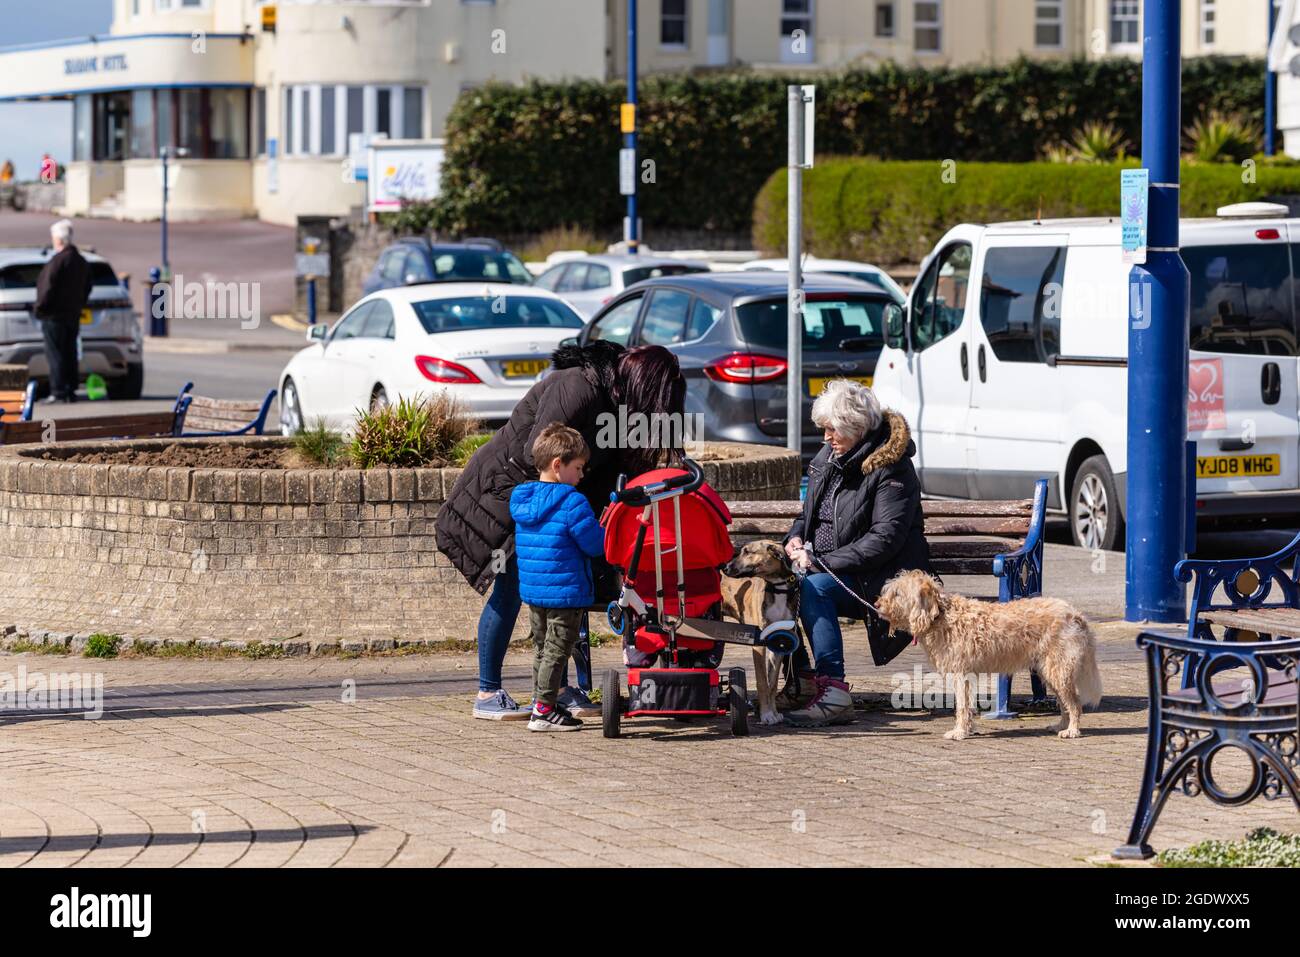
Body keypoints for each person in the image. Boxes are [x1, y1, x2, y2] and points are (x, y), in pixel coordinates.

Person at [436, 341, 687, 720]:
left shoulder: (612, 402)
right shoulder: (577, 386)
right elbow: (537, 452)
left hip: (547, 503)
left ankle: (557, 690)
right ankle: (488, 693)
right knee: (509, 591)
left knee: (560, 599)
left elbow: (603, 470)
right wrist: (566, 510)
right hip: (506, 496)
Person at [782, 380, 932, 727]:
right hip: (828, 567)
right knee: (776, 584)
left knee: (814, 588)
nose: (825, 438)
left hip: (879, 580)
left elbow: (885, 539)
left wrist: (819, 561)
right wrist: (795, 537)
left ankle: (834, 692)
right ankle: (802, 680)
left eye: (833, 430)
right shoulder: (829, 457)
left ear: (857, 428)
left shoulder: (891, 467)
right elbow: (808, 516)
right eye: (824, 430)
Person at [510, 423, 607, 731]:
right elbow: (594, 544)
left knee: (542, 647)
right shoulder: (572, 501)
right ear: (557, 465)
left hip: (535, 589)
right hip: (565, 591)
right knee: (558, 650)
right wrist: (606, 529)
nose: (581, 475)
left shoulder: (523, 500)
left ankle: (542, 703)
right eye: (577, 468)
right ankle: (543, 710)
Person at [34, 219, 92, 404]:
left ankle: (58, 391)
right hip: (72, 314)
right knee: (70, 352)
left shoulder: (58, 261)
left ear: (59, 240)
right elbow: (88, 287)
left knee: (56, 354)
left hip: (54, 316)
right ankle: (70, 390)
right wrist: (79, 303)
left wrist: (40, 308)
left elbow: (47, 288)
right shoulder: (81, 261)